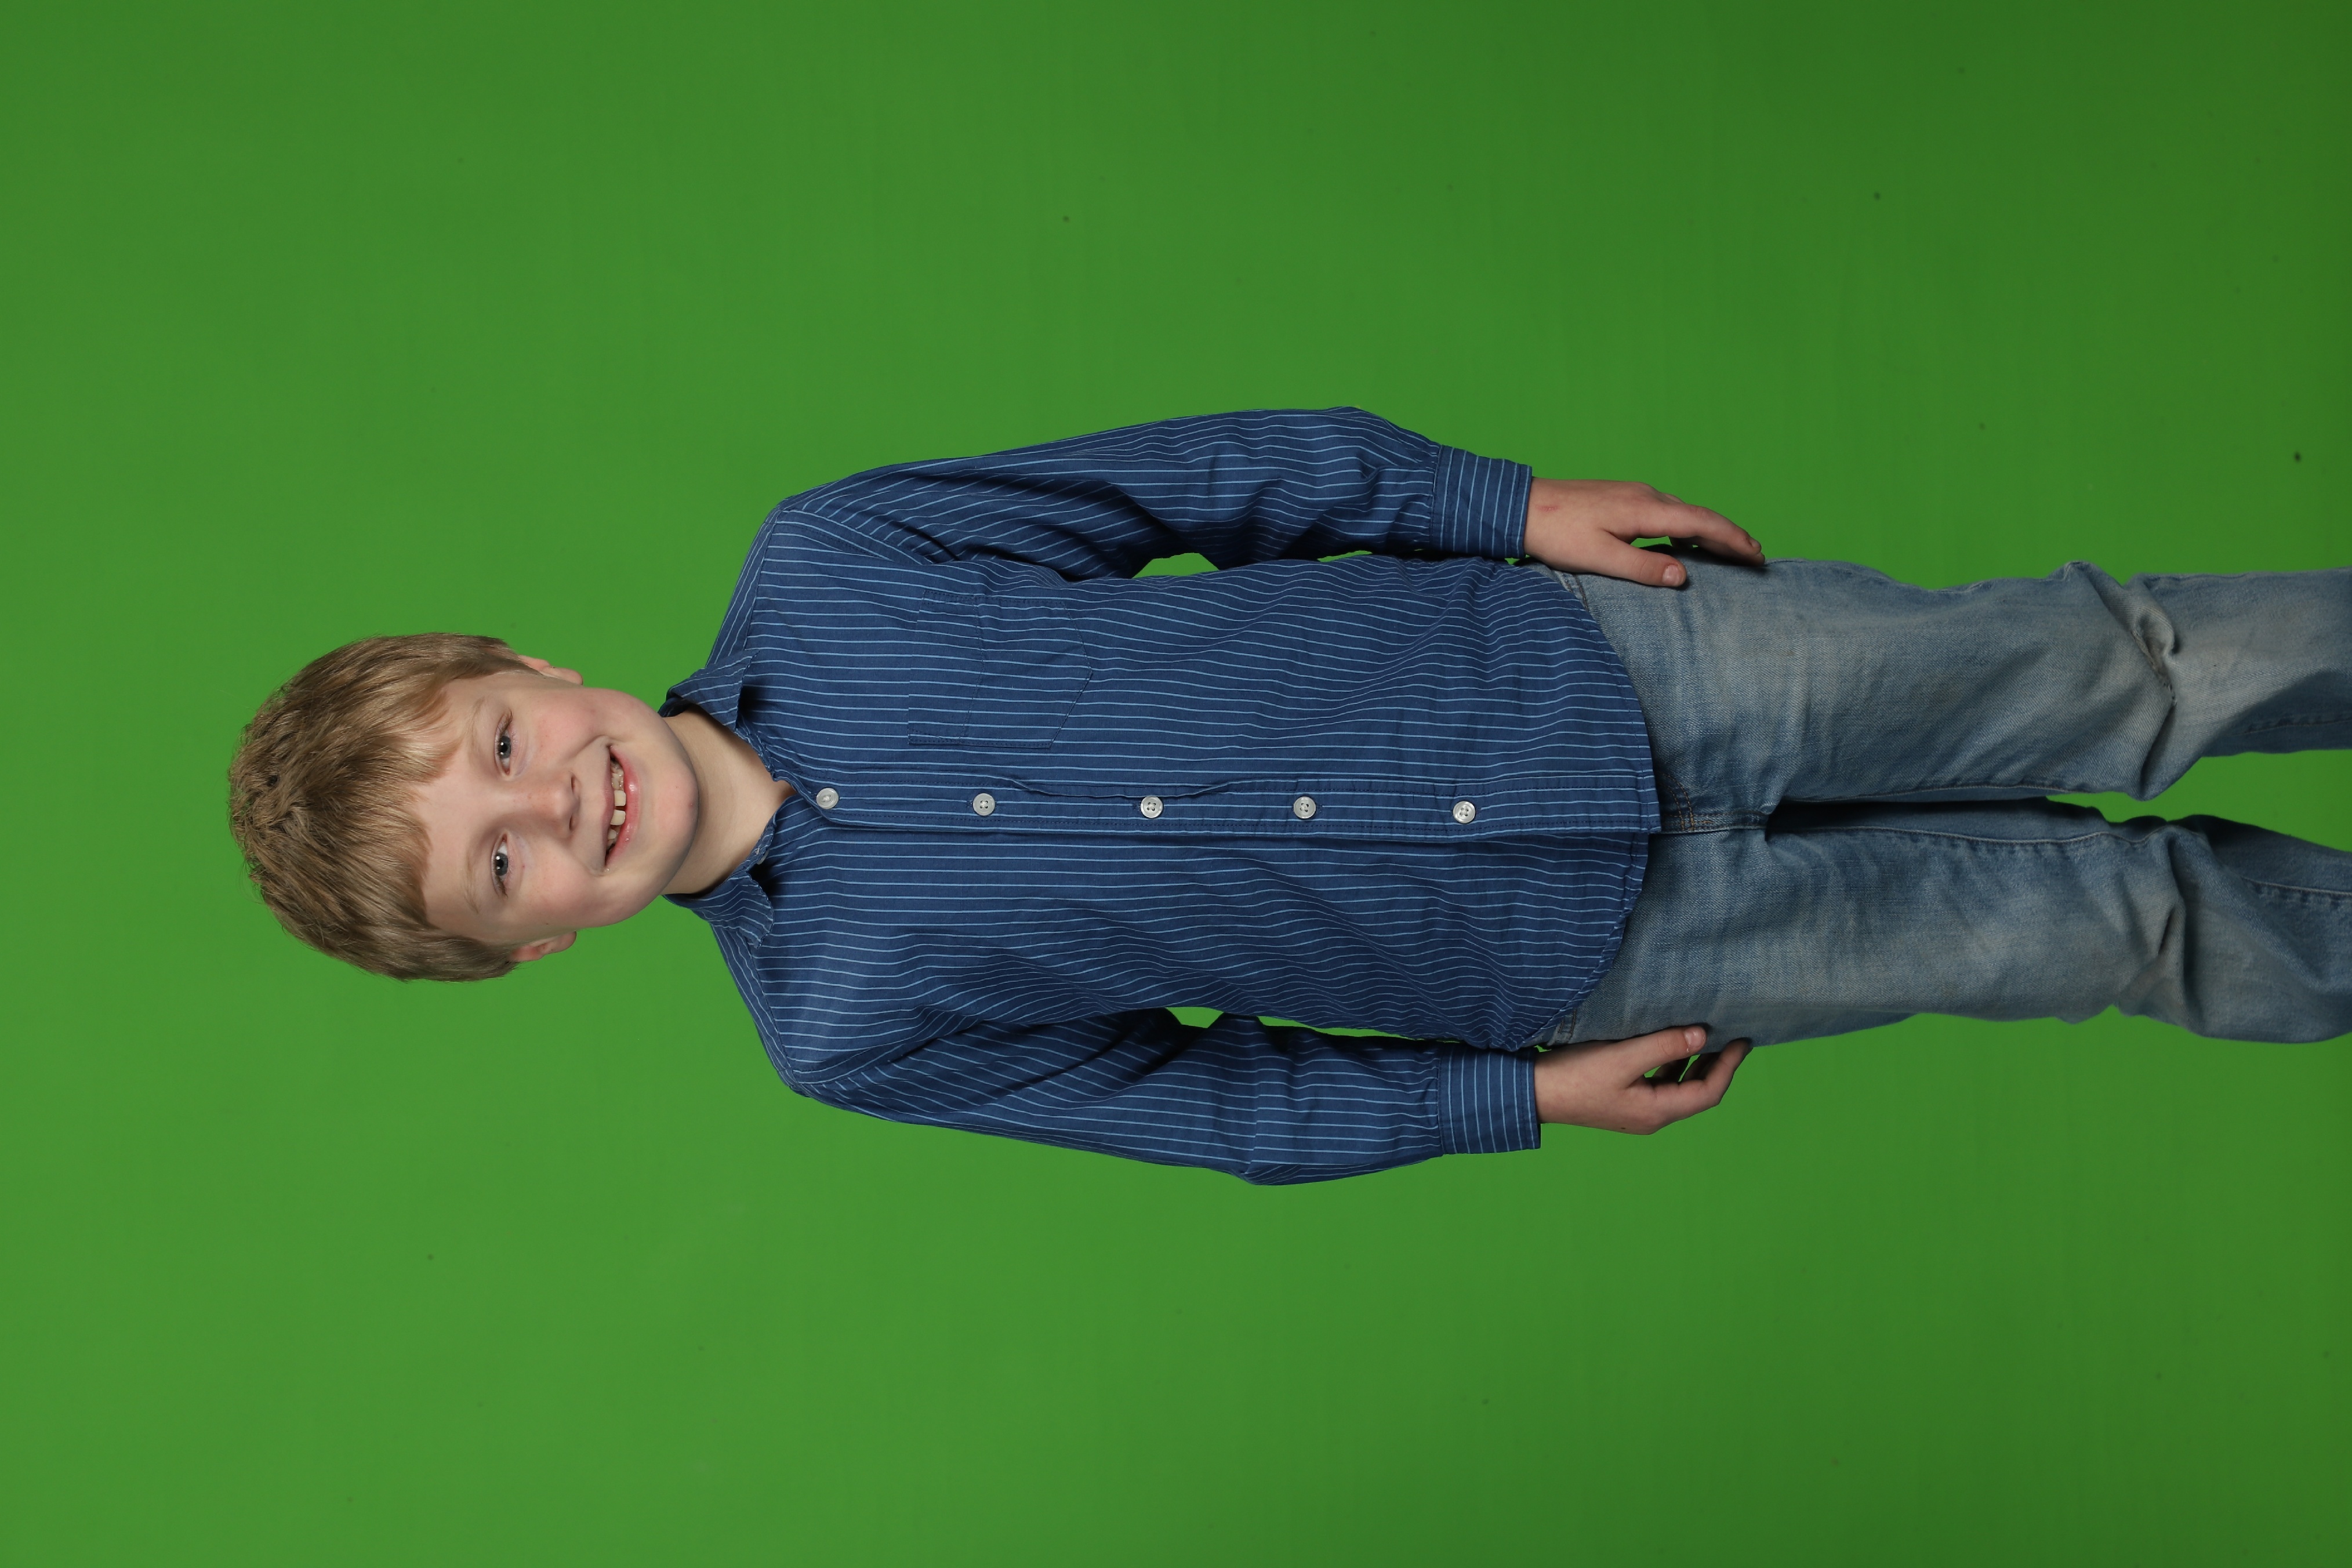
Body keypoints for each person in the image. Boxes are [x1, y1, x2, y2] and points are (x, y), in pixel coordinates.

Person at [228, 409, 2352, 1183]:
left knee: (2105, 670)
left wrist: (1498, 503)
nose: (552, 805)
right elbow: (1214, 1104)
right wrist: (1511, 1102)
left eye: (500, 747)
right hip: (1592, 960)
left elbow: (1209, 481)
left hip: (1606, 664)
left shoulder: (838, 557)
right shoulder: (844, 1030)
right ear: (530, 948)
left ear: (530, 669)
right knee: (2103, 928)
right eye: (499, 866)